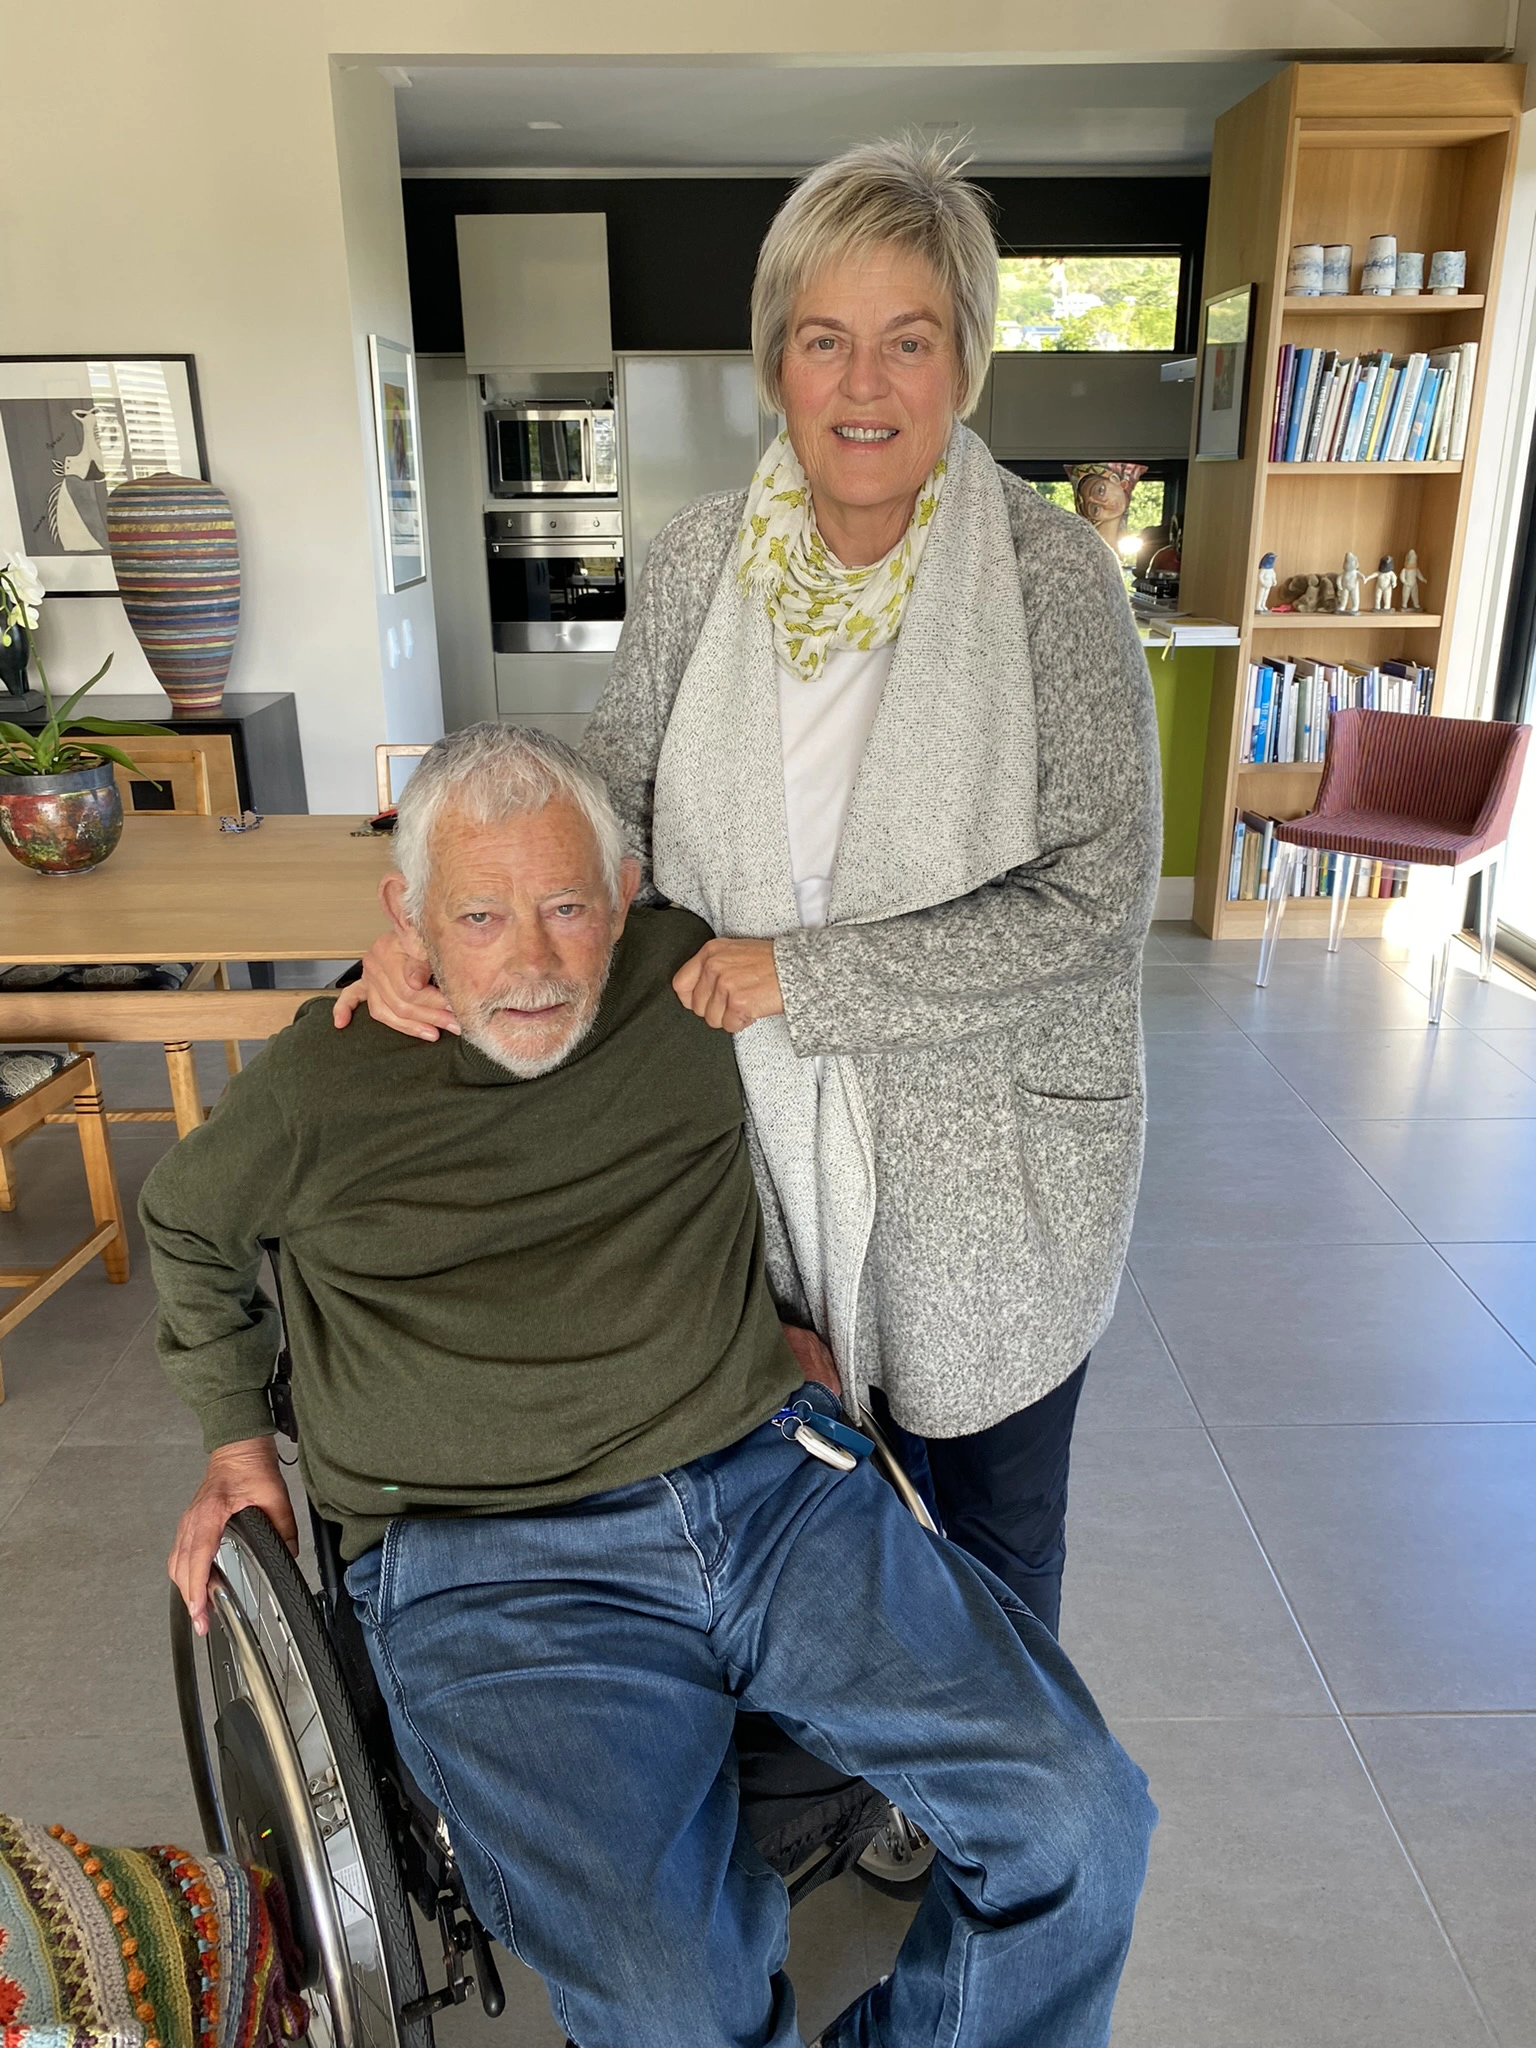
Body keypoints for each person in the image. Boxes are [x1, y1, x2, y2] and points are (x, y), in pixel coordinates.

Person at [150, 727, 1155, 2048]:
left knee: (1080, 1819)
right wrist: (236, 1448)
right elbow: (185, 1225)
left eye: (567, 907)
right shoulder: (325, 1080)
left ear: (627, 895)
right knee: (672, 1997)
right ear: (408, 916)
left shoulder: (688, 981)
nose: (529, 961)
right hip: (488, 1566)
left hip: (770, 1488)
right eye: (478, 916)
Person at [335, 138, 1162, 1640]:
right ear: (775, 363)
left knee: (991, 1538)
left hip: (996, 1160)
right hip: (757, 1145)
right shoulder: (699, 564)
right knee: (808, 1517)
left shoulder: (1056, 581)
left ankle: (990, 1763)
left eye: (910, 339)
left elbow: (1096, 901)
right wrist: (439, 938)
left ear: (966, 363)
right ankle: (857, 1743)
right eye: (825, 339)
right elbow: (605, 823)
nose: (865, 383)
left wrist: (810, 974)